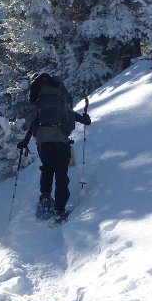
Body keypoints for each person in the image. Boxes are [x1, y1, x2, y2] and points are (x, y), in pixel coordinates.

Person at [16, 71, 90, 221]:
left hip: (43, 145)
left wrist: (25, 142)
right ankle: (60, 211)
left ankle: (45, 197)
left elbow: (33, 125)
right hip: (60, 143)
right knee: (61, 176)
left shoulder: (40, 103)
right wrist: (85, 118)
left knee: (47, 169)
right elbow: (73, 115)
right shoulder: (60, 100)